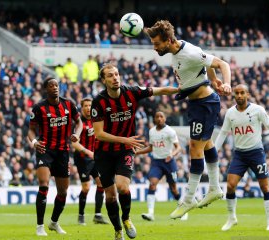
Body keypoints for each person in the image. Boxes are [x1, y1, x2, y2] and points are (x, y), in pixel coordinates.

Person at [146, 20, 232, 219]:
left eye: (157, 43)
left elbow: (222, 63)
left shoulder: (188, 52)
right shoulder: (178, 51)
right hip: (196, 104)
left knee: (195, 147)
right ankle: (214, 188)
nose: (155, 47)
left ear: (168, 40)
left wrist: (226, 83)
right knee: (207, 143)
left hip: (206, 103)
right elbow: (205, 63)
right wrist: (213, 78)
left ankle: (189, 198)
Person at [91, 63, 178, 240]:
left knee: (123, 187)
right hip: (104, 152)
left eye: (116, 74)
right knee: (110, 196)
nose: (115, 77)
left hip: (125, 150)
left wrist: (181, 89)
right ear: (103, 80)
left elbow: (159, 90)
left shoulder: (132, 92)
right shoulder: (98, 102)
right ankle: (117, 230)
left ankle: (127, 218)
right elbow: (99, 134)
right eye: (110, 75)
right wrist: (125, 139)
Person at [214, 84, 269, 231]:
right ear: (234, 95)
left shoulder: (258, 110)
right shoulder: (230, 113)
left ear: (248, 94)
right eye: (237, 93)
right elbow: (223, 133)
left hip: (256, 153)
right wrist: (214, 151)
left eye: (242, 93)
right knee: (230, 185)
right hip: (239, 154)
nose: (239, 95)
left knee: (265, 186)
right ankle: (232, 218)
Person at [28, 77, 83, 236]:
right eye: (51, 86)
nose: (55, 88)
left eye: (56, 85)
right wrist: (34, 142)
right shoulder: (39, 108)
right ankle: (40, 226)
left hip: (63, 151)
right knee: (44, 185)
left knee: (63, 192)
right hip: (44, 149)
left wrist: (77, 135)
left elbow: (79, 123)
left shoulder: (69, 104)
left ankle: (54, 222)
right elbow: (31, 129)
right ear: (46, 89)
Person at [135, 111, 183, 221]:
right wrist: (138, 152)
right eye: (157, 117)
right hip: (157, 162)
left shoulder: (170, 131)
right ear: (154, 119)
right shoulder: (152, 131)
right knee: (152, 184)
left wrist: (172, 154)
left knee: (174, 189)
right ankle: (150, 213)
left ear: (165, 118)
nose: (159, 118)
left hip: (169, 162)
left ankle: (182, 210)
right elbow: (151, 148)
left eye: (161, 116)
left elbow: (178, 147)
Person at [72, 98, 108, 225]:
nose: (88, 108)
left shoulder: (96, 119)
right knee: (86, 188)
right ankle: (81, 215)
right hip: (83, 159)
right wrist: (88, 152)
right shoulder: (78, 122)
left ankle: (97, 215)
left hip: (96, 157)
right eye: (85, 106)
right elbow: (74, 144)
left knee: (101, 184)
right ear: (81, 108)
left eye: (90, 105)